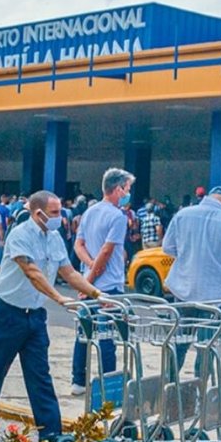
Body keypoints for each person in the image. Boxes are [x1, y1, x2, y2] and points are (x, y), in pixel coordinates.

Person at [0, 190, 103, 442]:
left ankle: (51, 431)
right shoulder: (20, 235)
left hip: (34, 316)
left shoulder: (54, 237)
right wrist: (59, 298)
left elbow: (68, 271)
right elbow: (32, 272)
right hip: (7, 313)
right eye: (55, 213)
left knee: (40, 373)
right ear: (38, 213)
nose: (60, 218)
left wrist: (97, 294)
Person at [161, 186, 221, 372]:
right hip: (217, 296)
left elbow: (167, 247)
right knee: (207, 346)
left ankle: (170, 385)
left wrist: (188, 254)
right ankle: (199, 391)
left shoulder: (182, 215)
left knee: (179, 341)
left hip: (184, 290)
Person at [71, 167, 135, 396]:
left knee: (83, 334)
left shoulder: (90, 212)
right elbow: (106, 254)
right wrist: (92, 277)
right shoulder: (117, 217)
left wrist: (87, 277)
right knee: (107, 337)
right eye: (127, 189)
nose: (128, 193)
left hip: (89, 284)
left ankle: (78, 380)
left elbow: (79, 246)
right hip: (108, 287)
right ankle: (109, 386)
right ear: (118, 189)